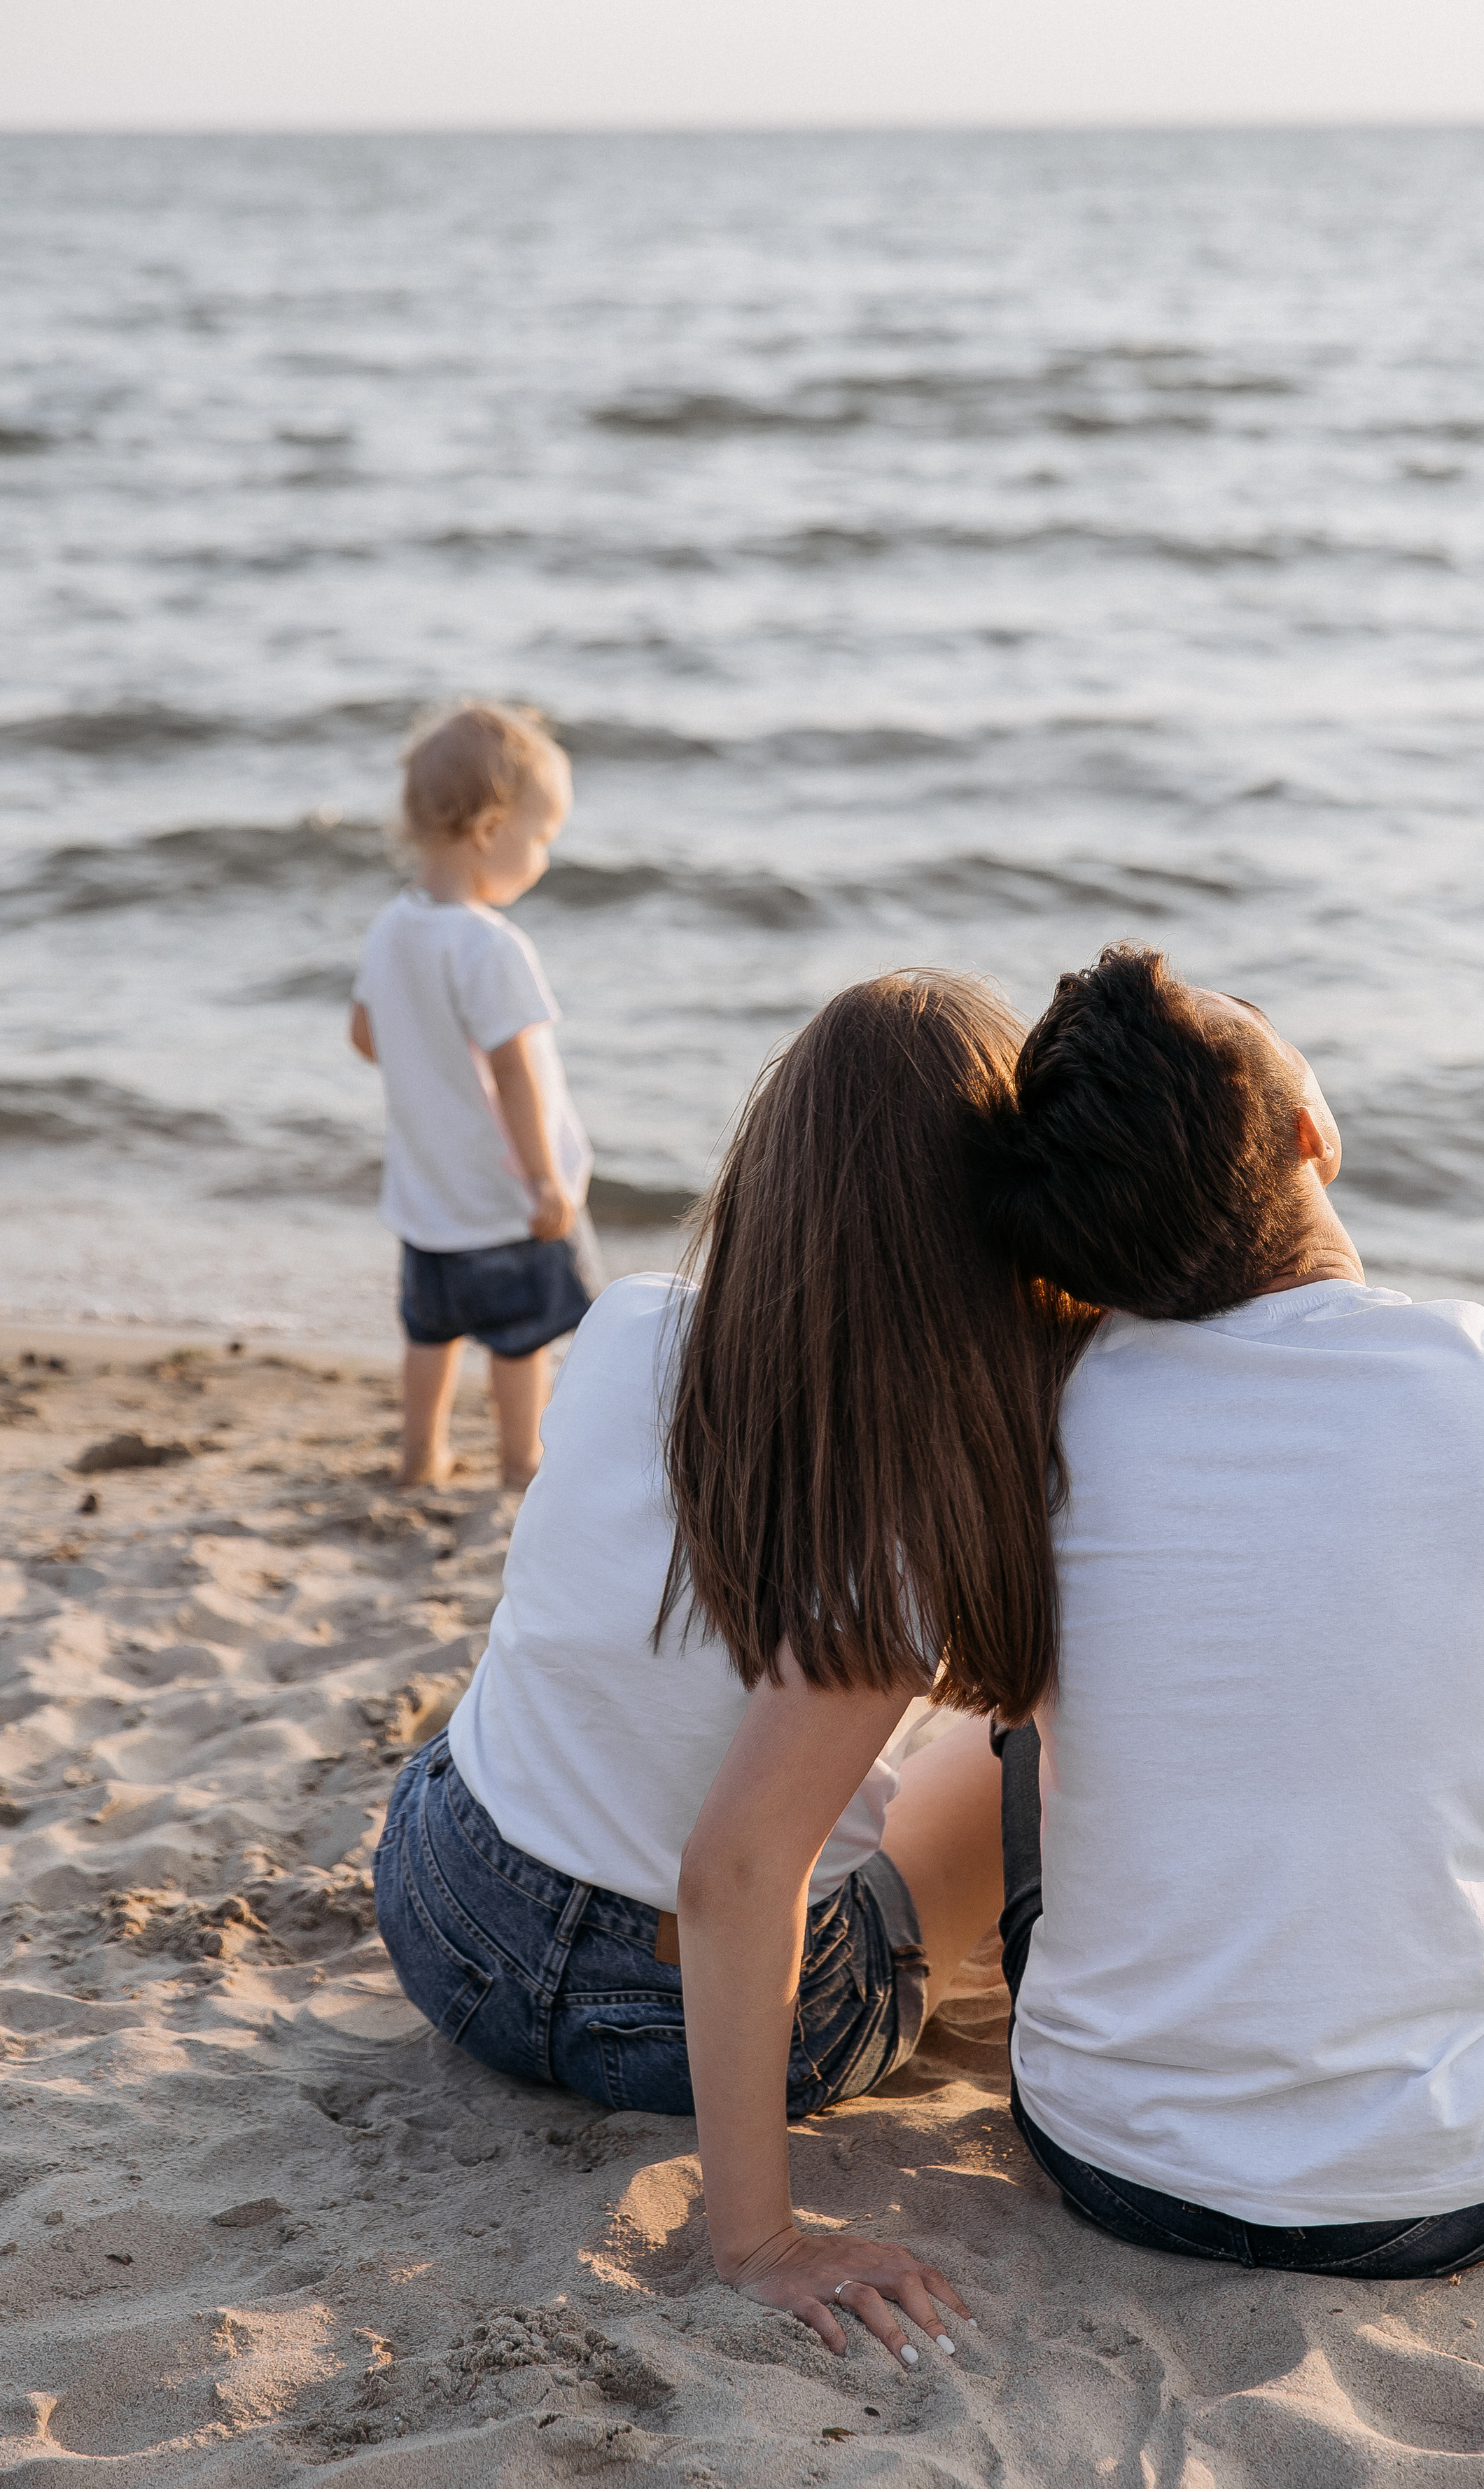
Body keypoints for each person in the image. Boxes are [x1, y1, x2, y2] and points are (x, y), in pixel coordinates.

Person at [967, 941, 1484, 2278]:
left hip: (1096, 2150)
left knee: (1036, 1701)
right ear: (1313, 1134)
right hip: (1430, 2189)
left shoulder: (1040, 1407)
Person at [373, 972, 1091, 2362]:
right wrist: (755, 2241)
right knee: (991, 1767)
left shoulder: (626, 1320)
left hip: (449, 1914)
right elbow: (733, 1871)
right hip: (659, 2023)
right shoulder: (910, 1503)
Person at [349, 702, 594, 1491]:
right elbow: (516, 1070)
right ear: (490, 830)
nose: (545, 859)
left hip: (426, 1197)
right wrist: (545, 1182)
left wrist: (427, 1067)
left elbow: (364, 1033)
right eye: (542, 837)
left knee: (431, 1332)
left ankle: (421, 1456)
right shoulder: (490, 945)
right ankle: (521, 1460)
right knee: (520, 1340)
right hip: (501, 1199)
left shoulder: (393, 926)